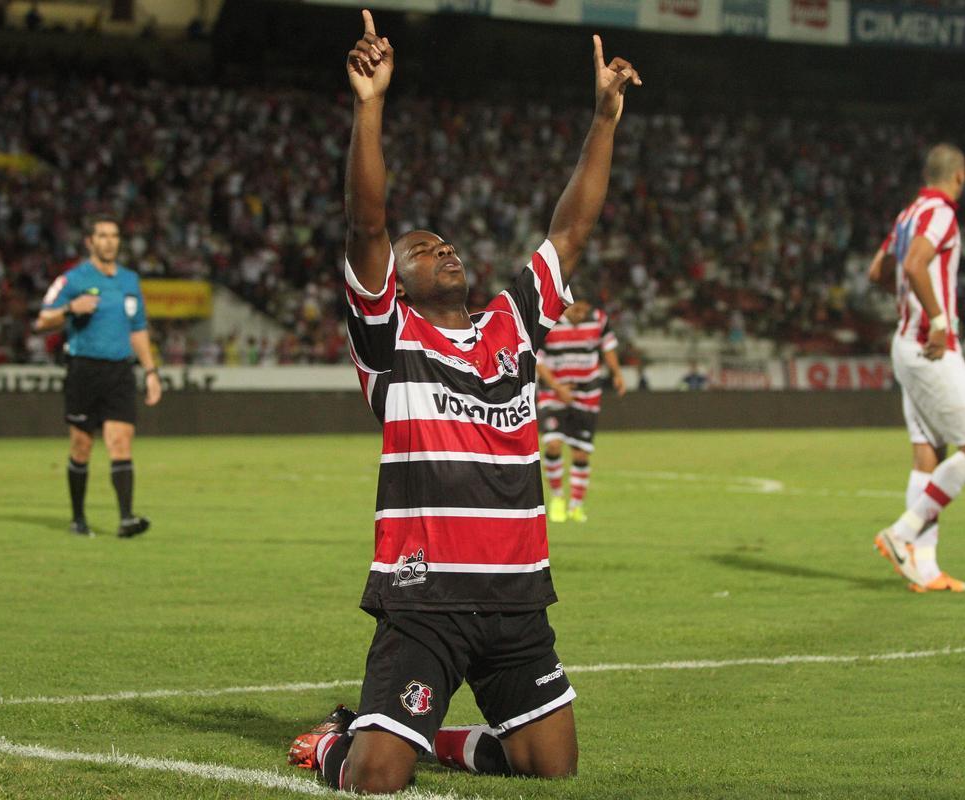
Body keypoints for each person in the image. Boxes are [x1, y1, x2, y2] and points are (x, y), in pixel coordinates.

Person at [286, 10, 639, 793]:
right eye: (422, 249)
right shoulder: (389, 337)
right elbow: (365, 220)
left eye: (447, 244)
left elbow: (572, 229)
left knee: (553, 767)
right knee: (377, 780)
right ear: (395, 279)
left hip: (517, 598)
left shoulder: (511, 322)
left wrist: (604, 119)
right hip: (425, 599)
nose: (442, 250)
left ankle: (430, 737)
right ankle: (337, 747)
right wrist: (369, 105)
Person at [868, 143, 965, 592]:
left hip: (904, 343)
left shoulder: (907, 215)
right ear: (958, 176)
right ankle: (901, 534)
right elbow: (917, 263)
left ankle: (925, 569)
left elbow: (877, 271)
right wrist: (936, 319)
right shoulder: (941, 211)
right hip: (930, 347)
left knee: (928, 453)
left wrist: (905, 304)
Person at [35, 215, 162, 537]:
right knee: (81, 445)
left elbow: (137, 328)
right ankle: (78, 519)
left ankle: (126, 519)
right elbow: (42, 320)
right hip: (84, 370)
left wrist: (151, 371)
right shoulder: (73, 280)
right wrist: (69, 310)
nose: (109, 241)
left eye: (114, 236)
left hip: (119, 370)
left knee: (121, 442)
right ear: (90, 242)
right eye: (102, 236)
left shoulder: (129, 281)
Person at [536, 298, 626, 523]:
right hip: (553, 393)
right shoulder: (548, 322)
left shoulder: (598, 320)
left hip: (587, 395)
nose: (580, 314)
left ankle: (576, 505)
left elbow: (608, 346)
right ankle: (557, 498)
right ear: (566, 305)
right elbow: (537, 359)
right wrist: (558, 387)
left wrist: (617, 373)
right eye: (576, 309)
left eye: (585, 309)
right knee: (553, 444)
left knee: (581, 453)